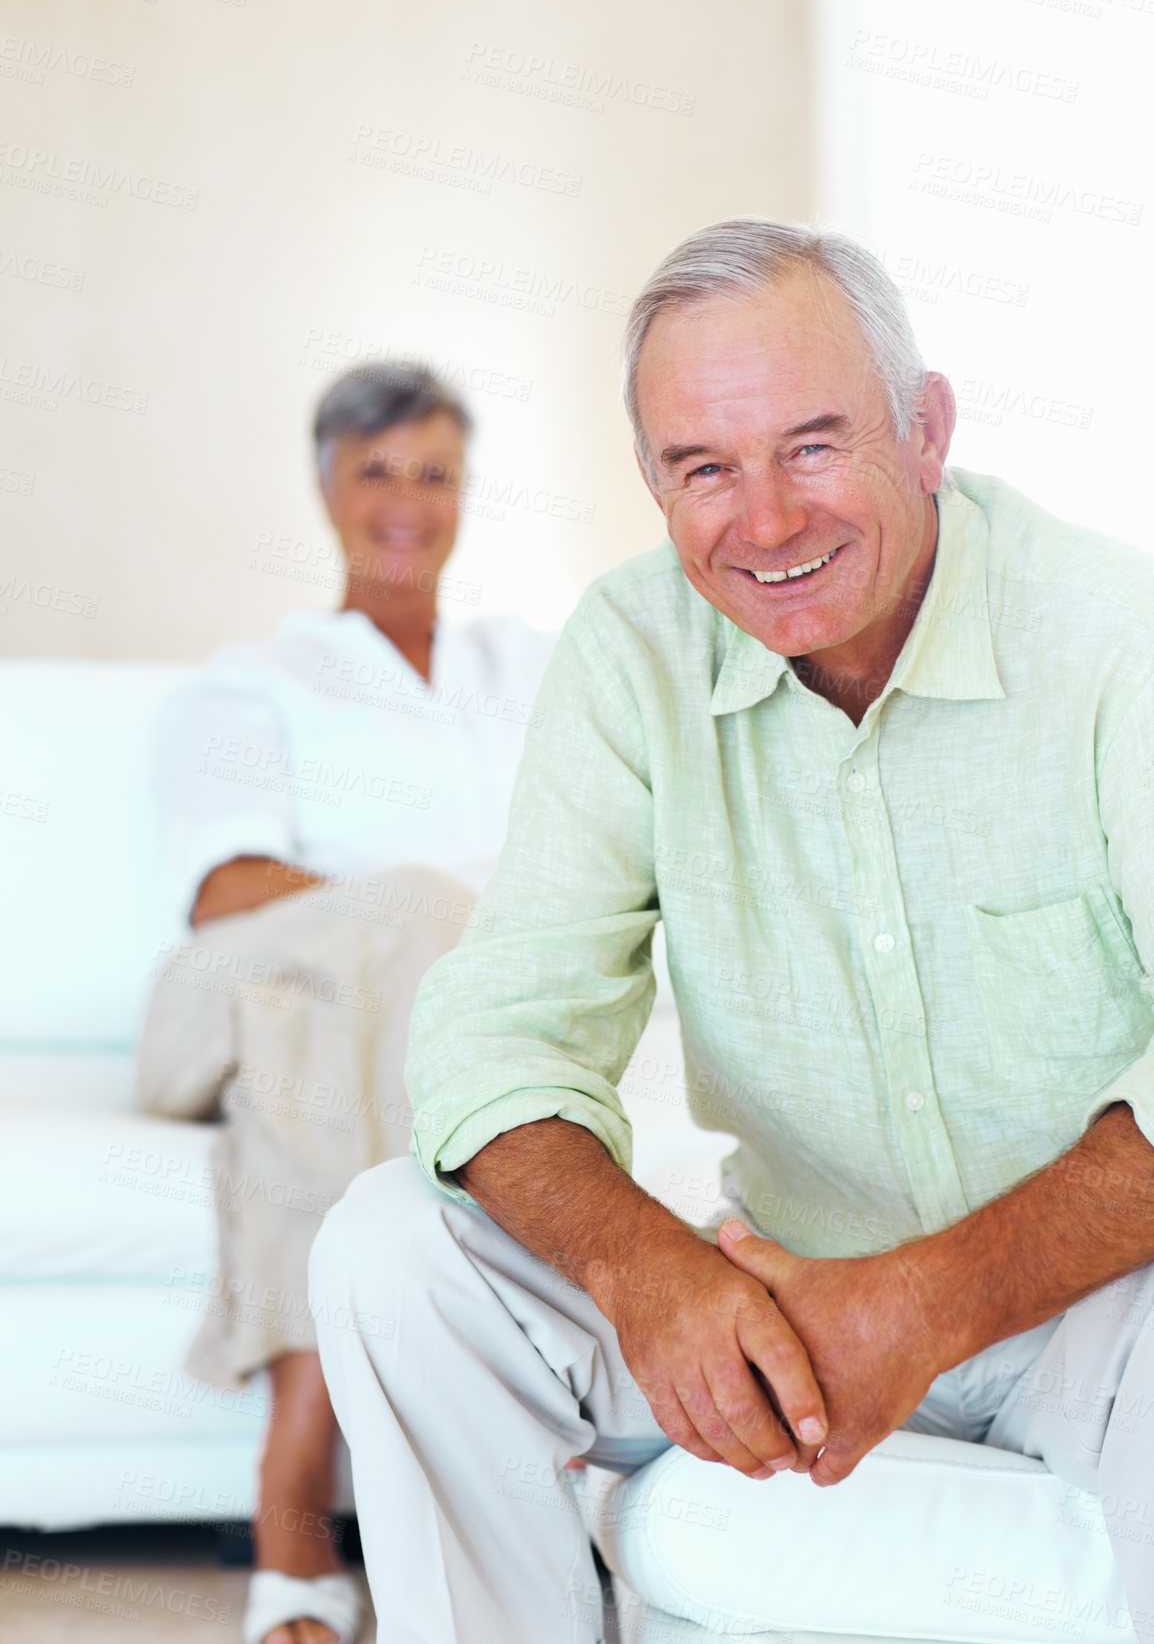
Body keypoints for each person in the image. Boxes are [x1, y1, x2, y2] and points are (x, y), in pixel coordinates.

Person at [309, 221, 1154, 1644]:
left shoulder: (1112, 636)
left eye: (813, 447)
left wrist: (926, 1303)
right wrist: (648, 1271)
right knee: (390, 1244)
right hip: (777, 1293)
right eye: (704, 468)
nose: (763, 524)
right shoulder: (631, 647)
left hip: (1102, 1311)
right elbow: (497, 1028)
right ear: (653, 484)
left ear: (924, 430)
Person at [141, 362, 554, 1644]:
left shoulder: (524, 664)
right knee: (398, 942)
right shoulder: (253, 679)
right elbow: (228, 887)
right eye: (378, 469)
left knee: (330, 1050)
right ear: (325, 486)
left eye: (433, 472)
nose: (406, 501)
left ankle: (296, 1515)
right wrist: (420, 910)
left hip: (375, 1030)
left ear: (464, 494)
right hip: (228, 995)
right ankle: (321, 1491)